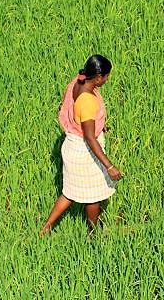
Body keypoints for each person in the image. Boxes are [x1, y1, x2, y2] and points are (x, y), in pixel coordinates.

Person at [40, 54, 123, 238]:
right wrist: (109, 166)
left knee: (70, 192)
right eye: (107, 76)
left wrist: (100, 125)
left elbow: (82, 120)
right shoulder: (87, 101)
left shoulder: (77, 82)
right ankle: (93, 233)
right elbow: (89, 137)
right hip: (84, 152)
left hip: (71, 145)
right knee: (92, 197)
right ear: (99, 77)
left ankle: (46, 227)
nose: (108, 79)